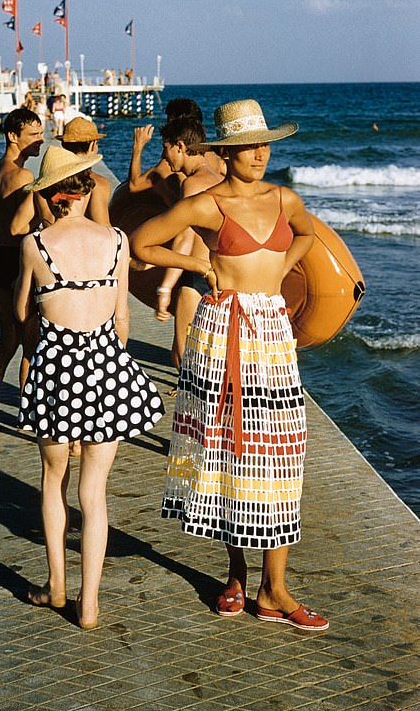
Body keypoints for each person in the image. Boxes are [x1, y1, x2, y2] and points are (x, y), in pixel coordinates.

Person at [131, 99, 329, 631]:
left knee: (280, 456)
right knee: (227, 452)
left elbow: (307, 236)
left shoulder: (286, 199)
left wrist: (279, 273)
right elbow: (141, 243)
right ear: (227, 151)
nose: (260, 153)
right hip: (222, 334)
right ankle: (238, 576)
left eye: (265, 144)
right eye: (248, 146)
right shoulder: (207, 204)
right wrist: (197, 262)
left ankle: (276, 588)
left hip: (270, 331)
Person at [15, 146, 165, 629]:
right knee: (94, 492)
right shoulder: (118, 241)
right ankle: (91, 605)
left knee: (53, 480)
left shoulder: (35, 246)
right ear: (84, 189)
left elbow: (24, 314)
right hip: (107, 366)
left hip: (56, 368)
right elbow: (122, 319)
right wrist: (108, 360)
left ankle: (57, 588)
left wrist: (41, 354)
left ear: (52, 195)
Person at [0, 107, 44, 432]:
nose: (41, 142)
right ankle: (27, 413)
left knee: (7, 340)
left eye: (42, 135)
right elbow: (22, 226)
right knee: (30, 342)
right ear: (13, 136)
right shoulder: (25, 178)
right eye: (34, 136)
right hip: (19, 263)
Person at [152, 116, 224, 368]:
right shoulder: (218, 176)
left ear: (180, 146)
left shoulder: (193, 184)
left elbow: (185, 236)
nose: (164, 155)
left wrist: (165, 288)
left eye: (166, 147)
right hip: (220, 274)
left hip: (197, 277)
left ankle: (191, 403)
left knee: (184, 355)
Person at [128, 97, 206, 205]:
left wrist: (138, 146)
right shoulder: (211, 156)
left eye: (169, 123)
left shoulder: (168, 165)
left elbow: (134, 186)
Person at [59, 116, 112, 226]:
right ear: (93, 145)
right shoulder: (97, 184)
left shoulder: (46, 181)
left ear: (63, 145)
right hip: (81, 240)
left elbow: (17, 228)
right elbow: (104, 228)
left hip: (50, 239)